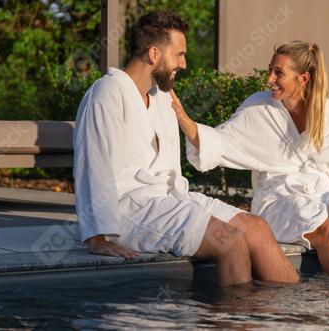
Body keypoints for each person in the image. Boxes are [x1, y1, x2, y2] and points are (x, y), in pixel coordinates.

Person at [73, 11, 299, 287]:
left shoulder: (161, 96)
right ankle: (236, 322)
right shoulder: (106, 93)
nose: (184, 63)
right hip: (129, 209)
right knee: (230, 242)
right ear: (154, 54)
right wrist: (97, 237)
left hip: (170, 199)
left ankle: (294, 318)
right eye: (179, 54)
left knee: (257, 228)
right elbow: (91, 164)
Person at [171, 41, 329, 288]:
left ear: (303, 78)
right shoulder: (259, 107)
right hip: (279, 199)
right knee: (327, 232)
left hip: (321, 191)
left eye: (278, 73)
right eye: (271, 70)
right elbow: (217, 142)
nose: (269, 79)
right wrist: (183, 118)